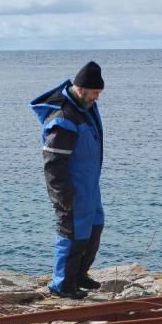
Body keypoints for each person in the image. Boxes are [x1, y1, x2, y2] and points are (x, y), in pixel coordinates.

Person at [29, 61, 105, 299]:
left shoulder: (84, 109)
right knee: (71, 235)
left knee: (94, 229)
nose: (97, 98)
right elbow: (53, 164)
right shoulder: (63, 119)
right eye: (95, 93)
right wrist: (62, 196)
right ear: (81, 89)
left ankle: (79, 274)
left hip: (89, 186)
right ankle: (61, 284)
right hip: (71, 189)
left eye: (99, 93)